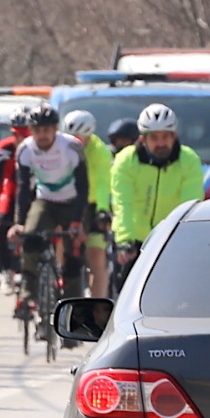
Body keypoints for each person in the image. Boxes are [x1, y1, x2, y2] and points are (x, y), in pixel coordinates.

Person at [9, 104, 89, 321]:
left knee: (74, 252)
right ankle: (29, 290)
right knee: (31, 236)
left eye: (46, 130)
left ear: (55, 129)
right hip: (45, 199)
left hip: (72, 201)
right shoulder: (25, 150)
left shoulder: (72, 147)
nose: (42, 135)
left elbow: (83, 187)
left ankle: (73, 313)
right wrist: (19, 223)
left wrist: (76, 222)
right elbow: (23, 188)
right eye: (37, 131)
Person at [111, 103, 205, 280]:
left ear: (174, 136)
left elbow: (190, 205)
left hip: (171, 238)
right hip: (134, 239)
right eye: (154, 137)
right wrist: (124, 241)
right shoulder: (125, 160)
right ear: (142, 139)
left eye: (166, 137)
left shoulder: (189, 160)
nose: (161, 143)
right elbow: (123, 203)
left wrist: (183, 238)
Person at [62, 110, 115, 298]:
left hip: (92, 205)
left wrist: (102, 209)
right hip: (68, 203)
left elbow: (102, 183)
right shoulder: (61, 146)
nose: (76, 142)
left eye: (79, 138)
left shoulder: (100, 151)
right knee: (63, 252)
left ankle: (97, 308)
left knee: (96, 257)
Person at [0, 109, 32, 293]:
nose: (21, 138)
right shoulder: (3, 149)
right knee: (1, 226)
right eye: (17, 134)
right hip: (9, 191)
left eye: (26, 133)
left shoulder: (41, 148)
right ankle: (7, 271)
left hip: (33, 192)